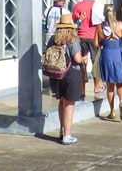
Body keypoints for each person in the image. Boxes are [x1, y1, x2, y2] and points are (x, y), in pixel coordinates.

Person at [47, 13, 87, 145]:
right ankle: (67, 135)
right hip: (71, 74)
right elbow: (77, 59)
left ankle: (62, 130)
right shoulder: (73, 39)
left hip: (57, 74)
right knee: (69, 105)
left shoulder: (53, 39)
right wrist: (84, 59)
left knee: (61, 102)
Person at [94, 3, 122, 121]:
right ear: (114, 13)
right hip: (118, 55)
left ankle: (112, 111)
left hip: (107, 55)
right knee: (120, 83)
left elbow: (95, 44)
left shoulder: (99, 27)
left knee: (110, 85)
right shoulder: (120, 25)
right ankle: (121, 102)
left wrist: (103, 43)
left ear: (104, 14)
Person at [72, 0, 104, 94]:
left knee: (82, 63)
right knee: (95, 62)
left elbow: (75, 21)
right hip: (93, 36)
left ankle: (82, 90)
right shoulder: (96, 5)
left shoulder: (77, 6)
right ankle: (97, 86)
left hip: (81, 37)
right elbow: (101, 20)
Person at [43, 0, 71, 97]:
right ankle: (61, 86)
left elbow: (44, 24)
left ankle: (53, 87)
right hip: (60, 38)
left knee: (51, 63)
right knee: (61, 63)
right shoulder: (65, 12)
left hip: (49, 38)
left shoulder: (48, 10)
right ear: (63, 1)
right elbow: (70, 25)